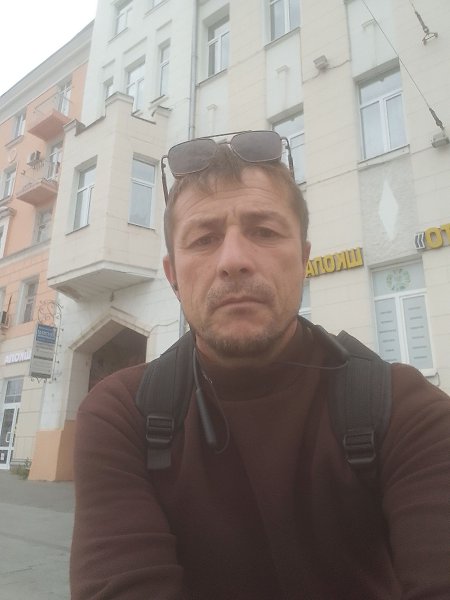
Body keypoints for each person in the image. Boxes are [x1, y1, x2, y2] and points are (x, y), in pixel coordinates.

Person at [70, 131, 450, 600]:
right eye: (204, 239)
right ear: (173, 277)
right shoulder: (121, 415)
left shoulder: (404, 410)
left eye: (265, 232)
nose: (233, 260)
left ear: (303, 260)